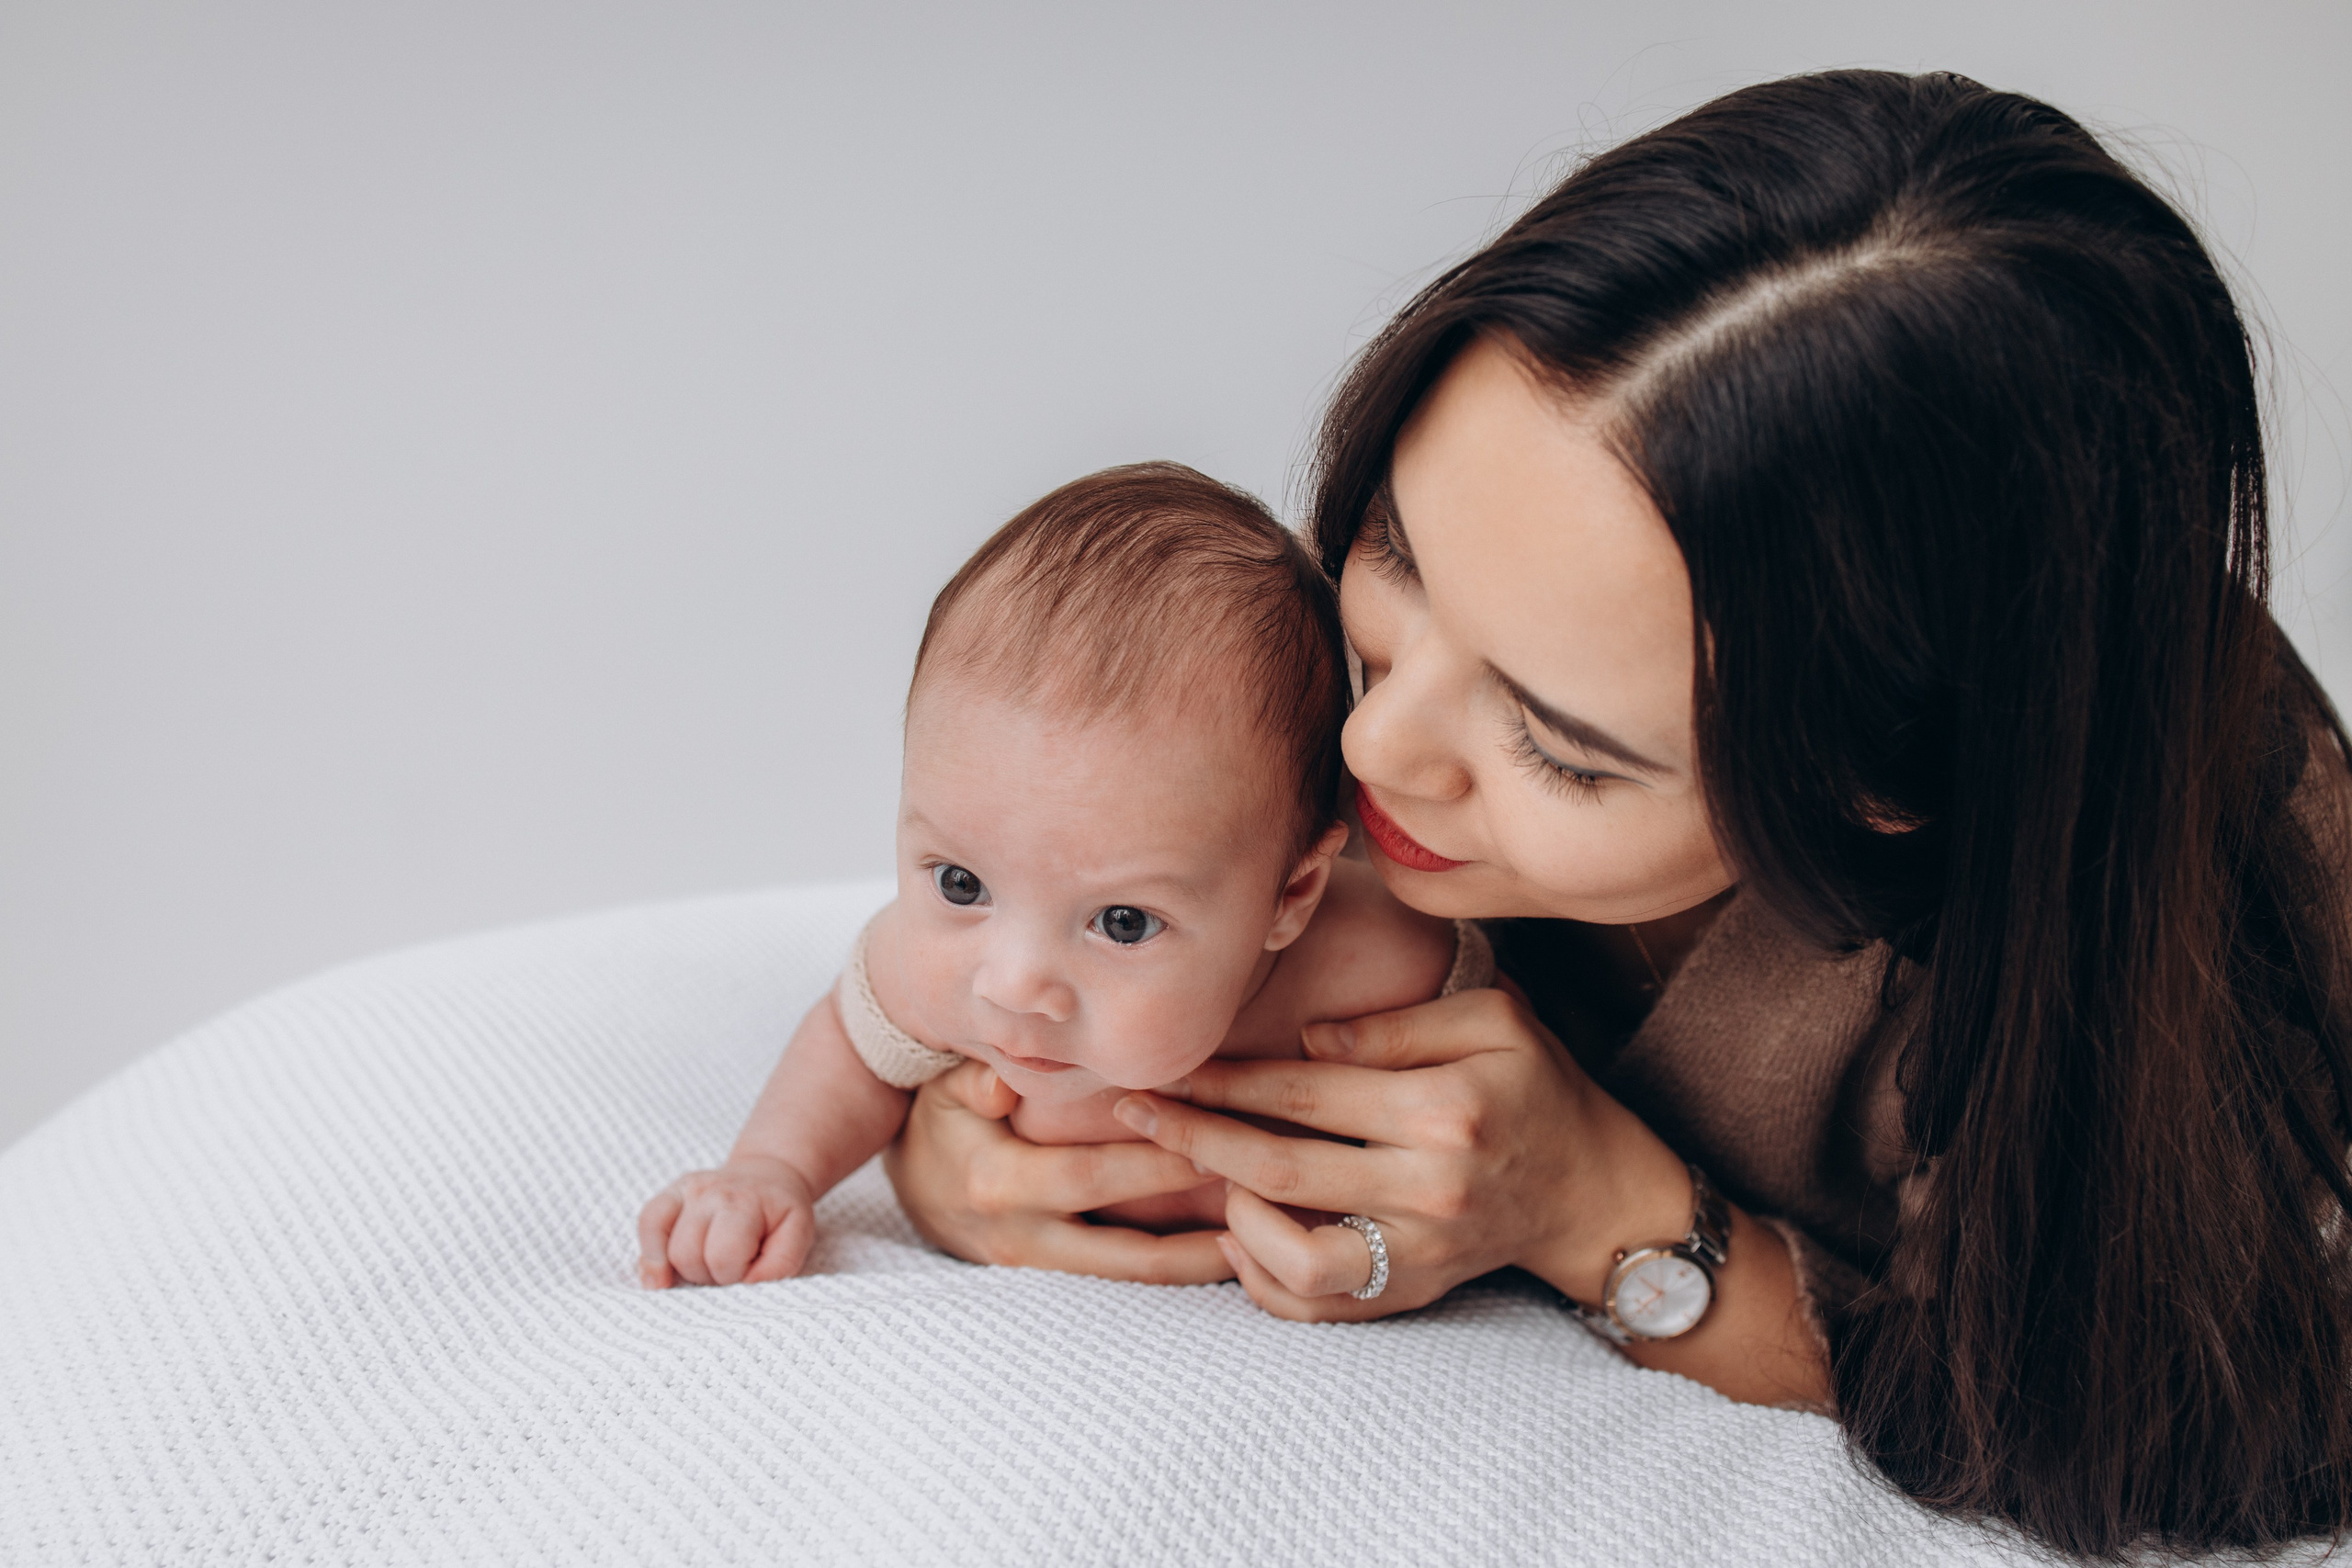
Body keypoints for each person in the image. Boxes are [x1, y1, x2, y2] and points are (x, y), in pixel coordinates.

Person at [881, 71, 2352, 1554]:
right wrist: (975, 1144)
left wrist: (1601, 1213)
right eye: (1398, 556)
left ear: (1883, 795)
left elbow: (2163, 1426)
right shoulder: (1361, 666)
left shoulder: (2181, 930)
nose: (1375, 740)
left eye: (1558, 744)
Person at [637, 462, 1489, 1288]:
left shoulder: (1381, 968)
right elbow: (848, 1049)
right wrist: (770, 1169)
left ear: (1291, 896)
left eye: (1122, 922)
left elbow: (1489, 1090)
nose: (1013, 985)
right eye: (961, 884)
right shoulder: (915, 968)